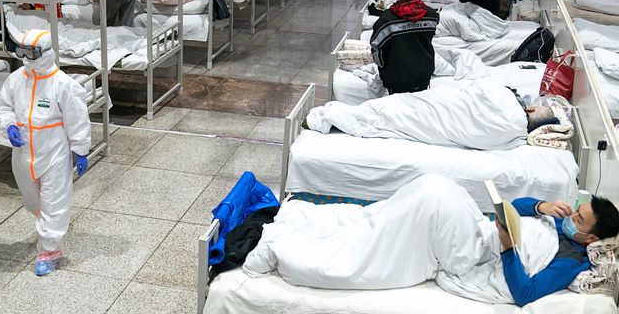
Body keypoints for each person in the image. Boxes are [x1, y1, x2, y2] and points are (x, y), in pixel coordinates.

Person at [243, 174, 619, 307]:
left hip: (474, 255)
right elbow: (514, 208)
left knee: (431, 200)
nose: (571, 216)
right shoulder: (559, 222)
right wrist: (538, 205)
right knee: (432, 188)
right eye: (575, 210)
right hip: (482, 231)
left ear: (591, 238)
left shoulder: (571, 260)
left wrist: (506, 246)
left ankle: (286, 250)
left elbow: (524, 293)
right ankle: (315, 225)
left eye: (578, 219)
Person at [0, 29, 91, 276]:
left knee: (54, 204)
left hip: (53, 155)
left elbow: (78, 119)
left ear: (47, 53)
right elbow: (4, 106)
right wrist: (8, 125)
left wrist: (80, 150)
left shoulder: (63, 85)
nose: (26, 57)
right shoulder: (17, 78)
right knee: (32, 202)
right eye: (22, 52)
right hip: (23, 154)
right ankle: (47, 226)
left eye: (32, 53)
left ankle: (50, 251)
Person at [307, 79, 566, 151]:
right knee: (391, 114)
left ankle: (330, 116)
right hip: (439, 114)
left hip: (435, 109)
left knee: (392, 109)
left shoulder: (508, 106)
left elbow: (479, 87)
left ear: (531, 109)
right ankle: (335, 117)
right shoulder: (514, 136)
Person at [370, 0, 440, 95]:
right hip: (423, 75)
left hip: (397, 78)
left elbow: (377, 48)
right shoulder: (432, 16)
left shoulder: (387, 20)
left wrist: (384, 68)